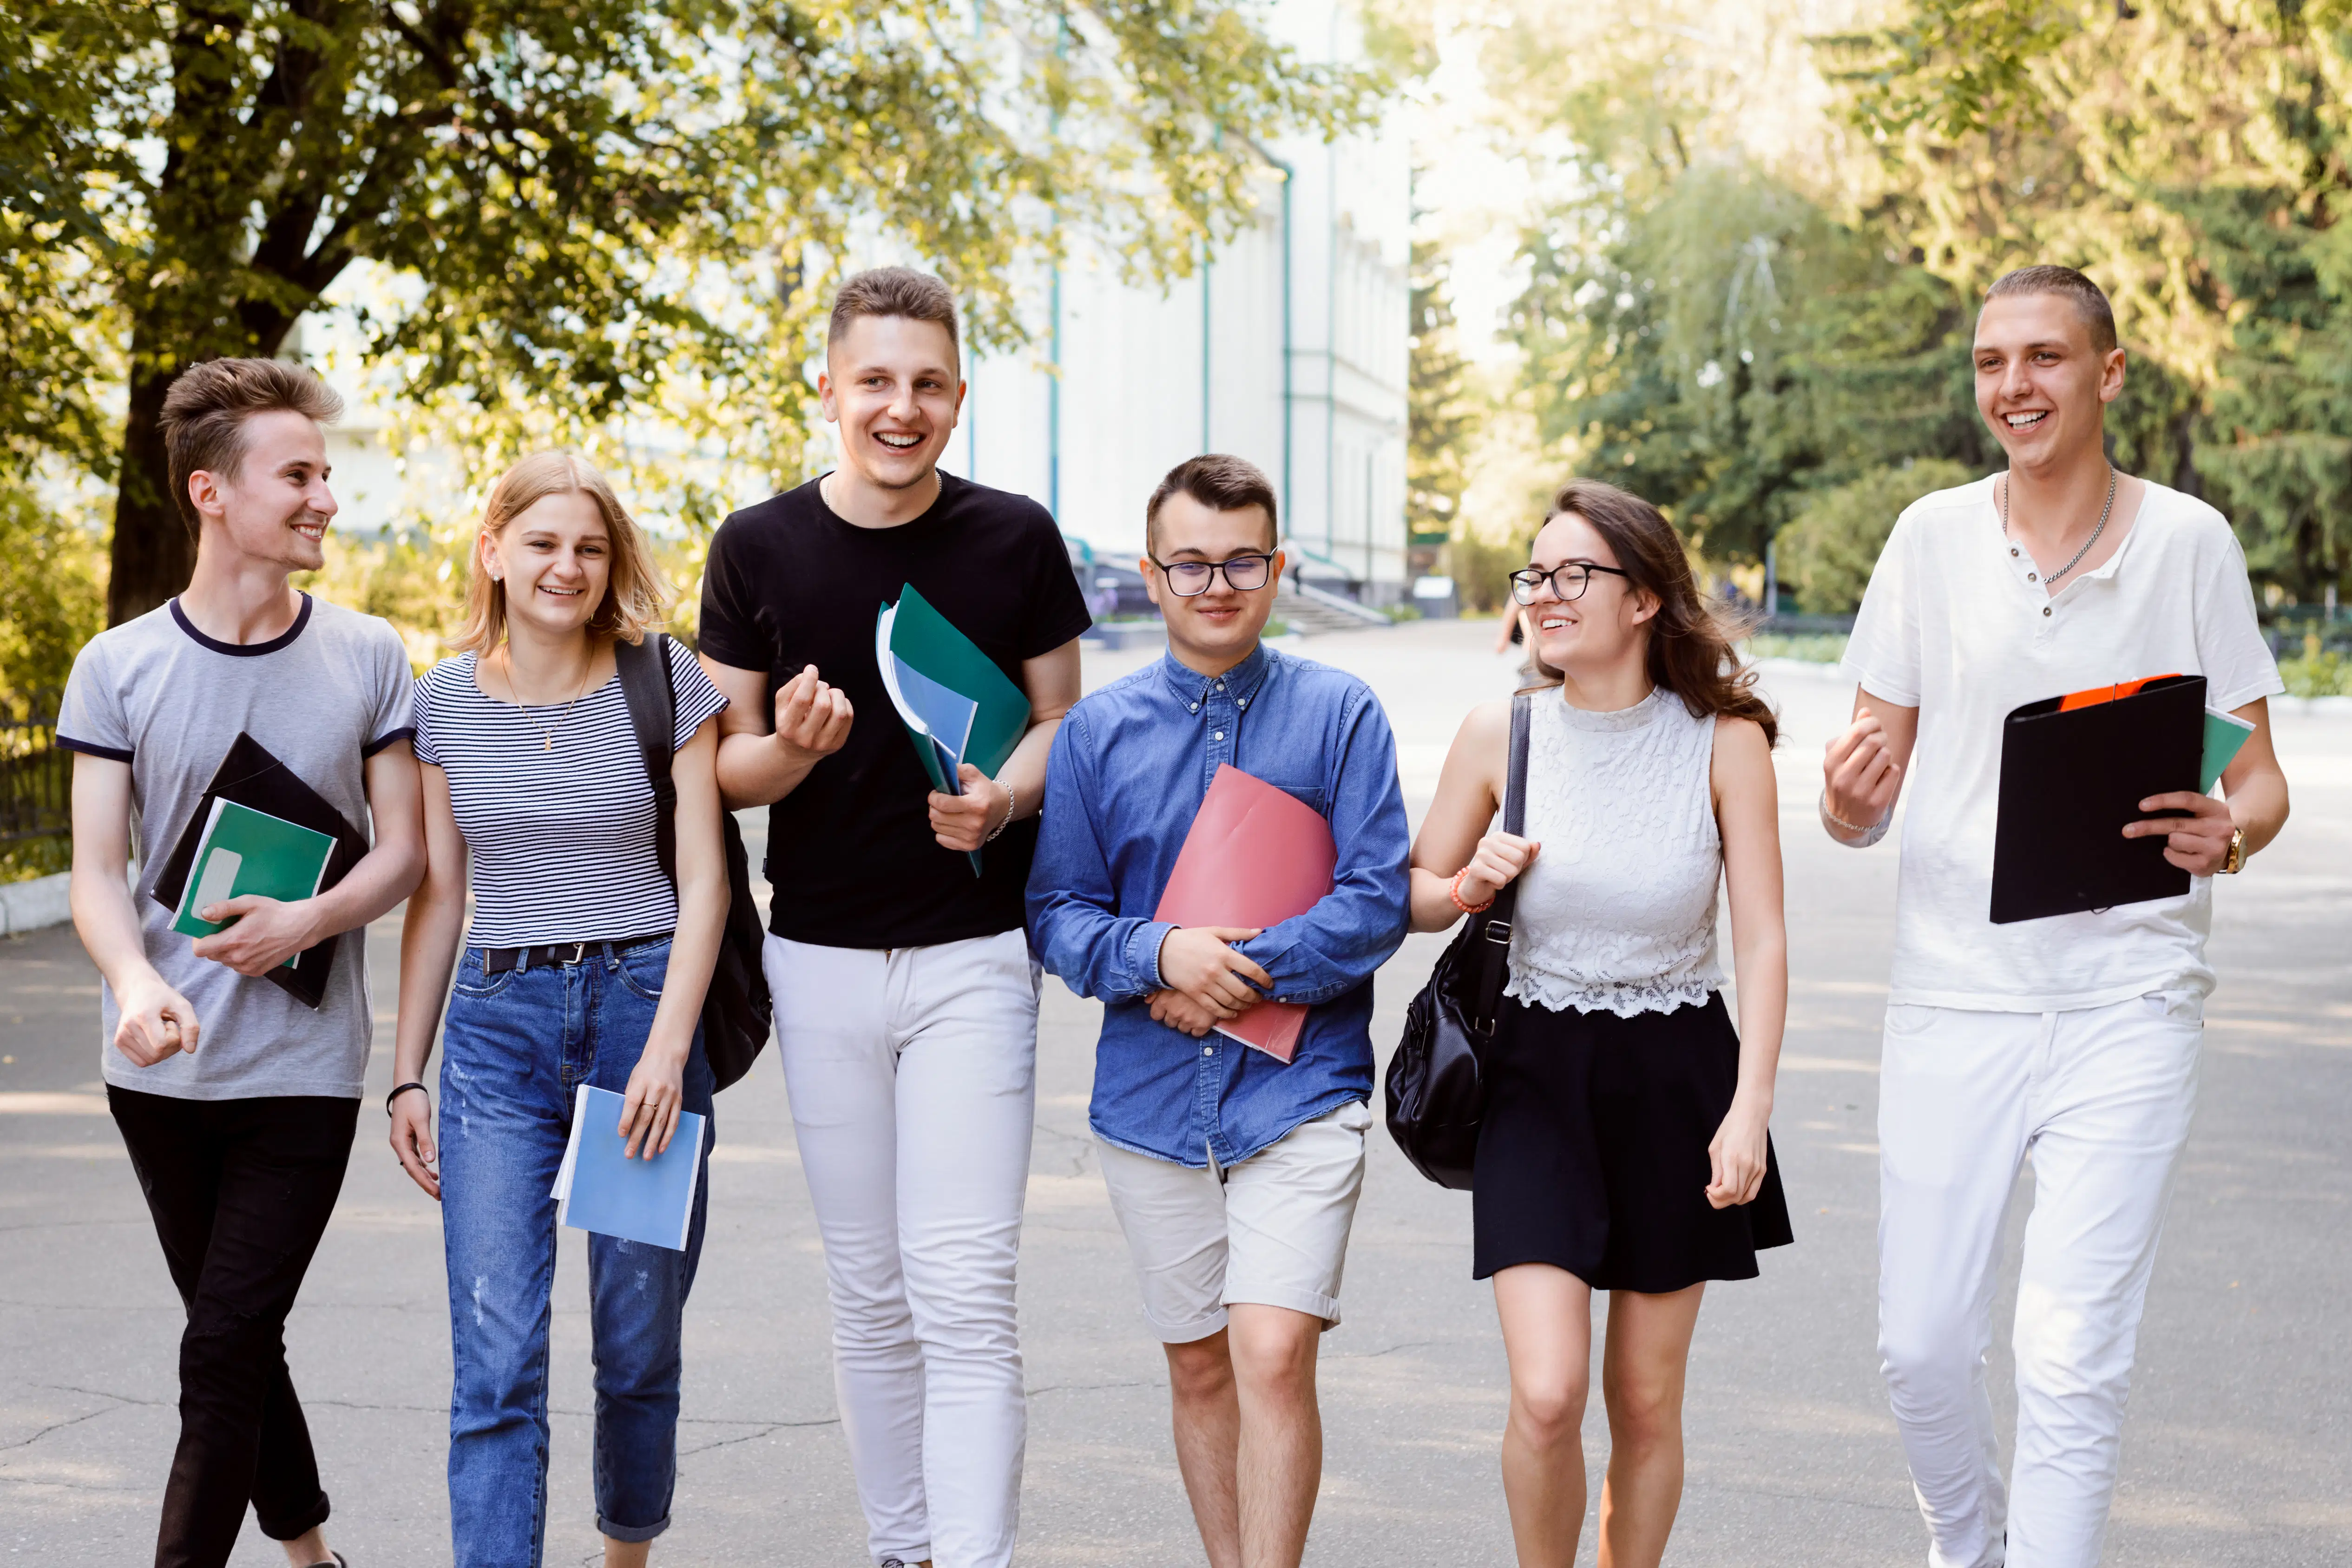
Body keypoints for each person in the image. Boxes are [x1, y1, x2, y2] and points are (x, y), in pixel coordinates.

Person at [1823, 265, 2290, 1568]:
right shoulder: (1927, 537)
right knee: (1916, 1344)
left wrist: (2230, 831)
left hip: (2127, 999)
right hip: (1951, 993)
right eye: (1989, 362)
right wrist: (1847, 802)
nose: (2011, 386)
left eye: (2040, 357)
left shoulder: (2186, 544)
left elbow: (2252, 777)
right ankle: (1964, 1544)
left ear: (2106, 371)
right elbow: (1858, 800)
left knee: (2068, 1351)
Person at [696, 266, 1093, 1568]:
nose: (900, 407)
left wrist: (1002, 799)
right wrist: (794, 753)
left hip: (975, 954)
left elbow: (1060, 719)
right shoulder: (754, 545)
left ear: (958, 394)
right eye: (874, 380)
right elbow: (720, 763)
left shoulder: (1014, 536)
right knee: (869, 1293)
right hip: (816, 959)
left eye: (926, 383)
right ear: (827, 389)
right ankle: (901, 1546)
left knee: (965, 1289)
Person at [59, 358, 426, 1568]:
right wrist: (136, 981)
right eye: (300, 475)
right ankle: (313, 1550)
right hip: (158, 1071)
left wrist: (305, 923)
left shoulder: (370, 654)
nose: (325, 496)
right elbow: (98, 873)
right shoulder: (118, 666)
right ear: (212, 492)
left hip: (301, 1069)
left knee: (219, 1345)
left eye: (326, 473)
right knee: (238, 1337)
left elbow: (404, 857)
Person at [1028, 455, 1411, 1568]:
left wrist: (1231, 973)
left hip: (1300, 1089)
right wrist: (1159, 954)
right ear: (1150, 576)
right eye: (1189, 561)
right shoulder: (1096, 734)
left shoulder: (1340, 713)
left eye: (1240, 558)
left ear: (1276, 568)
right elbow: (1054, 913)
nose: (1214, 582)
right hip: (1148, 1102)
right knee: (1197, 1363)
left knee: (1272, 1349)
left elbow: (1377, 896)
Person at [1409, 477, 1794, 1568]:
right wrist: (1466, 885)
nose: (1544, 592)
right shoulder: (1503, 731)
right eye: (1535, 574)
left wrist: (1747, 1108)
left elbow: (1761, 940)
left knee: (1642, 1398)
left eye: (1573, 573)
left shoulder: (1723, 744)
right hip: (1533, 1072)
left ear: (1644, 600)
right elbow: (1411, 891)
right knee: (1546, 1393)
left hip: (1680, 1076)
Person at [386, 453, 729, 1568]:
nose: (565, 567)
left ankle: (624, 1552)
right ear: (493, 551)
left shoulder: (664, 676)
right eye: (540, 543)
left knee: (635, 1346)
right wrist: (406, 1070)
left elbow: (708, 876)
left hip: (640, 1013)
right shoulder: (437, 701)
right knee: (494, 1355)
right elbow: (441, 895)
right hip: (497, 1033)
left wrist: (670, 1053)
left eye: (587, 547)